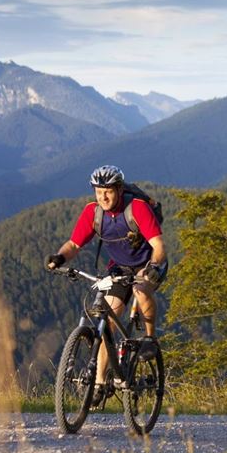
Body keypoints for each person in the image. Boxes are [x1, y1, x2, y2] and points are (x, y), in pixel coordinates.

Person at [45, 165, 168, 407]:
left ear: (119, 190)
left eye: (108, 191)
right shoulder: (94, 213)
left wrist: (152, 267)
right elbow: (74, 244)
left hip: (149, 263)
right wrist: (59, 258)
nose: (103, 197)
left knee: (140, 290)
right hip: (120, 267)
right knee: (106, 320)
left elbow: (159, 246)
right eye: (98, 192)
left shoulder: (137, 208)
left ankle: (150, 339)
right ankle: (99, 384)